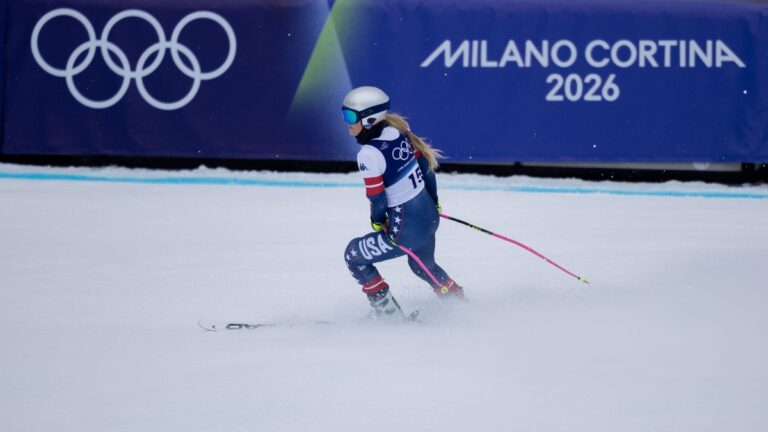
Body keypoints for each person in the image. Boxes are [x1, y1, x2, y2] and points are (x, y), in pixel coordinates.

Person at [341, 86, 464, 319]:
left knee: (353, 256)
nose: (346, 123)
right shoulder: (398, 132)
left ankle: (389, 317)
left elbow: (377, 199)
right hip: (429, 219)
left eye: (350, 116)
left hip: (405, 230)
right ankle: (460, 305)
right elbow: (427, 170)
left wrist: (377, 222)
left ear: (368, 119)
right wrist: (435, 203)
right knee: (423, 266)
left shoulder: (368, 154)